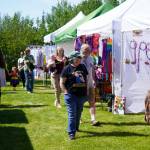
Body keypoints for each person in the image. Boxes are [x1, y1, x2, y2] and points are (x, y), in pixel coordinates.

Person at [60, 51, 88, 140]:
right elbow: (62, 82)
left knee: (79, 112)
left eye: (80, 58)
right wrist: (65, 92)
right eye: (77, 58)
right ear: (72, 59)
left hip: (82, 95)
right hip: (71, 95)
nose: (79, 59)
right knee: (72, 114)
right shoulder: (66, 69)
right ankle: (71, 133)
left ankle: (76, 127)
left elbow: (87, 79)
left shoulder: (82, 66)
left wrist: (88, 89)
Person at [81, 44, 100, 126]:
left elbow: (92, 69)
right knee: (80, 102)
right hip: (80, 84)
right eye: (85, 50)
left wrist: (93, 79)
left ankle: (93, 119)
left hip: (90, 83)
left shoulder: (91, 58)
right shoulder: (78, 58)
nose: (87, 51)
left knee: (92, 101)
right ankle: (79, 118)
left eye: (88, 50)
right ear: (82, 50)